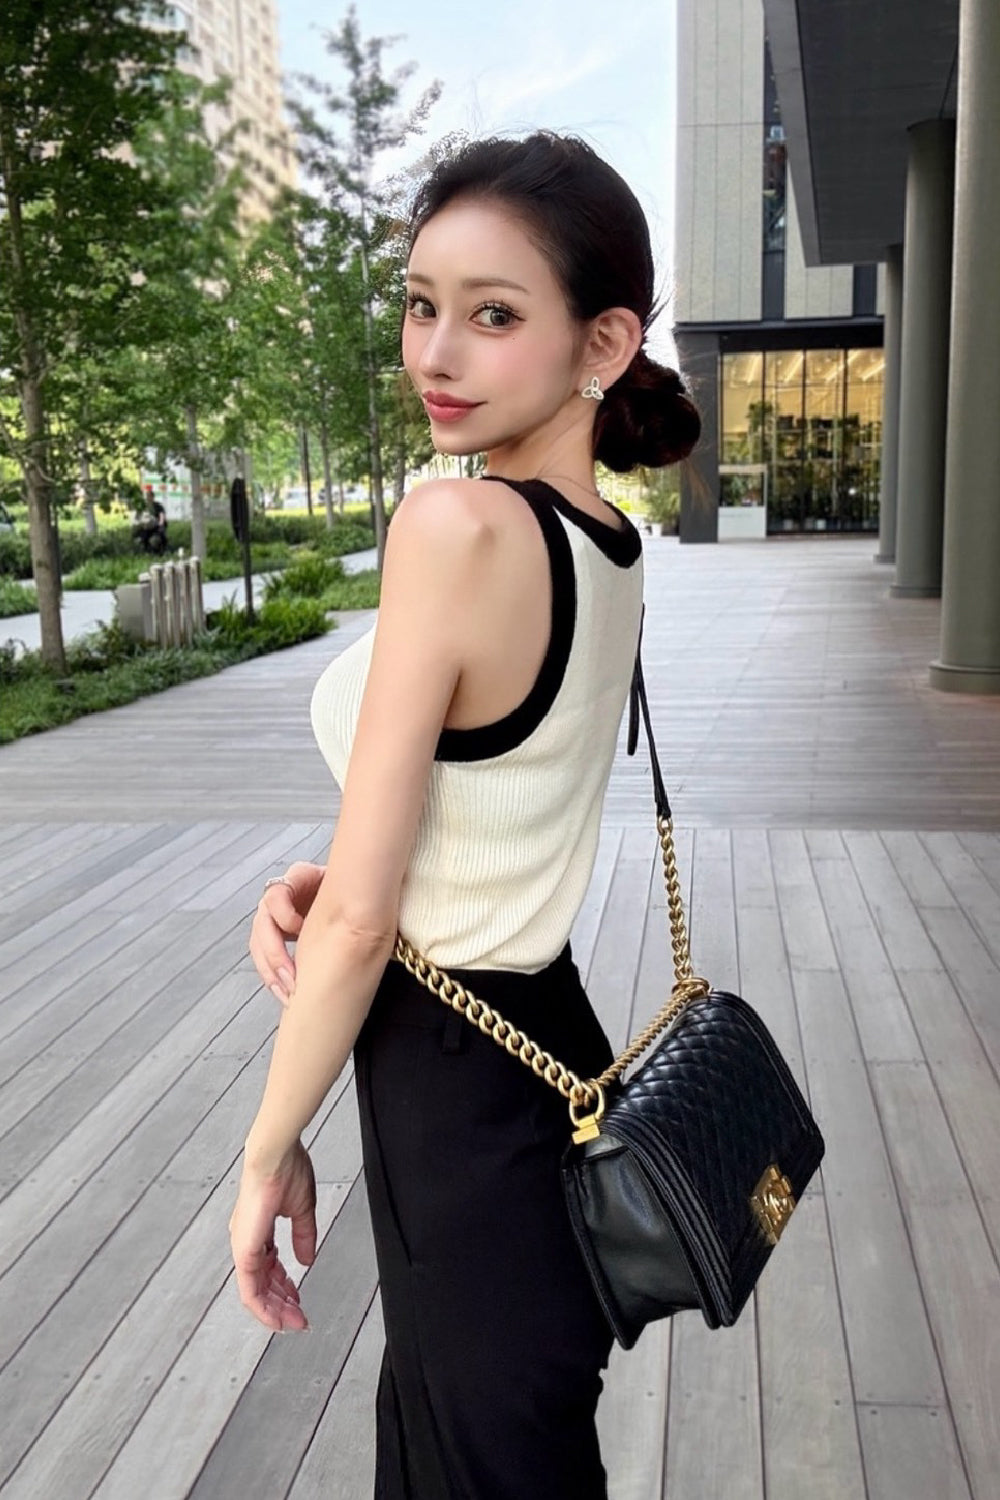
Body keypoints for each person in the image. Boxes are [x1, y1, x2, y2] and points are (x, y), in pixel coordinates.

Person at [229, 131, 701, 1498]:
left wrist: (267, 1152)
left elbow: (366, 922)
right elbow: (501, 797)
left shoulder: (457, 528)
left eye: (493, 315)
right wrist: (338, 877)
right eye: (421, 305)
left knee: (467, 1452)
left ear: (603, 342)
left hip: (456, 1084)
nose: (435, 353)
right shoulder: (609, 541)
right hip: (543, 1048)